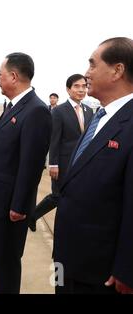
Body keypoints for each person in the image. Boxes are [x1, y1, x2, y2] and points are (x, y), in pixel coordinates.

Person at [53, 37, 133, 294]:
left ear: (117, 70)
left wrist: (127, 268)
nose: (86, 73)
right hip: (69, 254)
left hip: (100, 268)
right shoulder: (101, 116)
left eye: (92, 64)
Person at [0, 53, 52, 293]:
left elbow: (30, 164)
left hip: (9, 207)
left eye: (0, 74)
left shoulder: (36, 110)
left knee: (5, 263)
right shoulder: (15, 105)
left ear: (14, 76)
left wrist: (19, 206)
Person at [29, 74, 93, 232]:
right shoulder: (59, 111)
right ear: (68, 89)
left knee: (75, 196)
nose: (81, 89)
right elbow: (54, 139)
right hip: (63, 163)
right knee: (57, 196)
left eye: (84, 86)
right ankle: (33, 215)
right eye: (77, 86)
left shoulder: (89, 110)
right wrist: (53, 163)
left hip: (81, 163)